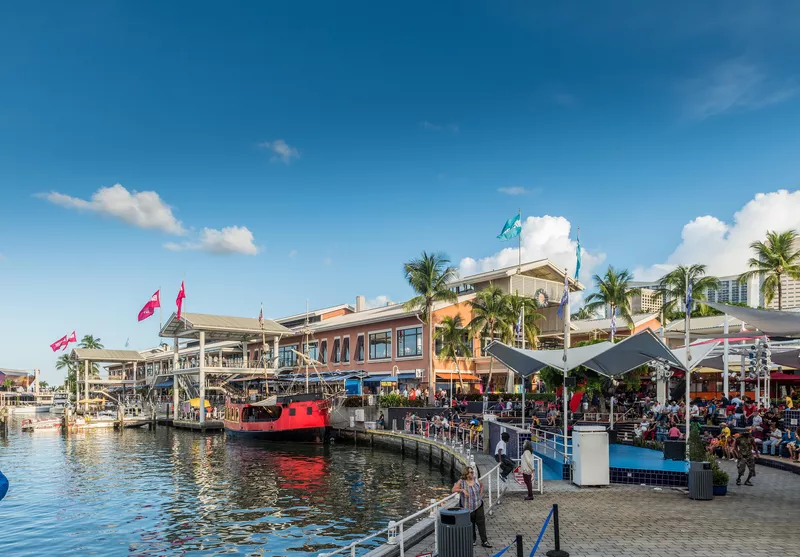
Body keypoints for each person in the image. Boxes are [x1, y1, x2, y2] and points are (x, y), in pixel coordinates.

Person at [452, 466, 492, 549]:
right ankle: (473, 540)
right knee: (471, 524)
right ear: (466, 474)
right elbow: (453, 489)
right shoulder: (461, 482)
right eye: (470, 472)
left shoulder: (476, 479)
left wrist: (480, 495)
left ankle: (484, 541)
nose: (472, 473)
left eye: (472, 472)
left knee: (481, 523)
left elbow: (482, 485)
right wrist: (462, 490)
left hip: (478, 505)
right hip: (467, 507)